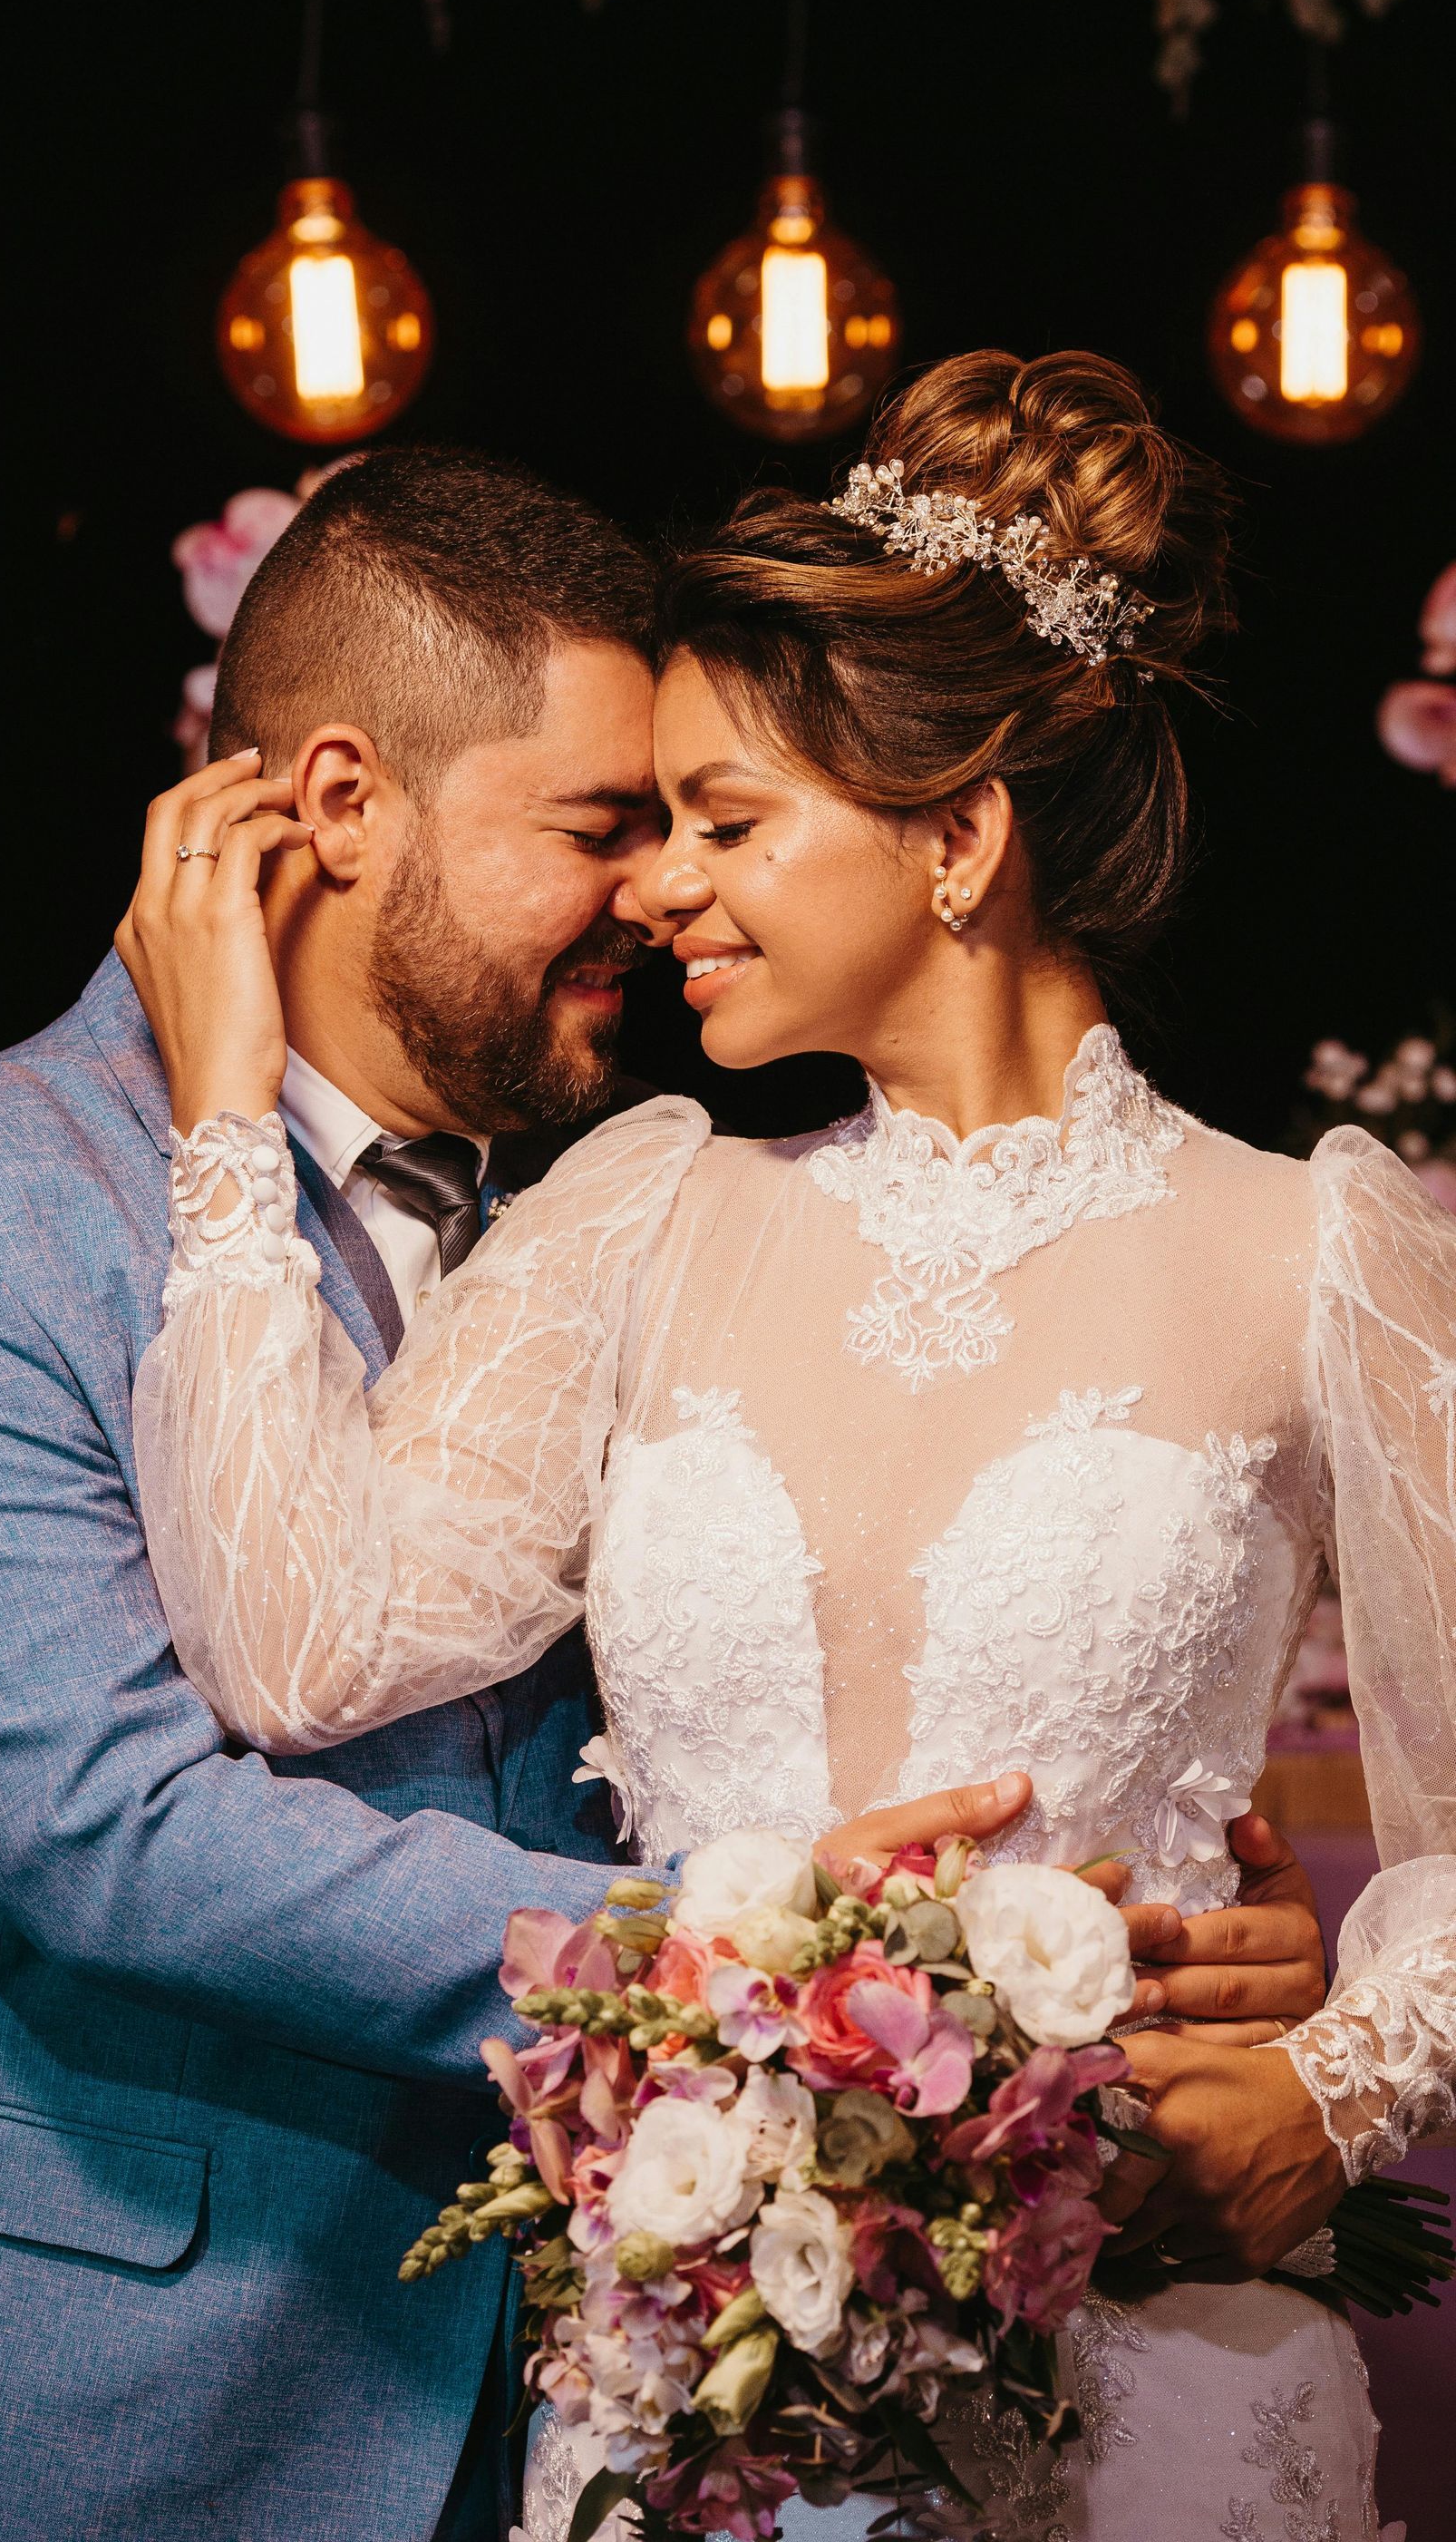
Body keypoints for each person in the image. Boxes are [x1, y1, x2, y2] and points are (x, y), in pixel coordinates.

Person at [0, 447, 1309, 2542]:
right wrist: (815, 1974)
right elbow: (120, 1835)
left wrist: (1148, 1927)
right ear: (345, 808)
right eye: (602, 824)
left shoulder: (629, 1211)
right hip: (86, 2408)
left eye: (698, 821)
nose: (656, 892)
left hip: (613, 2386)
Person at [120, 360, 1456, 2540]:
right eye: (651, 825)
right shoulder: (651, 1210)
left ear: (958, 838)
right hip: (691, 2395)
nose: (658, 888)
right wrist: (221, 1122)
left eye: (728, 822)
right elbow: (297, 1641)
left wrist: (1340, 2078)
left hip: (1165, 2383)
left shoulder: (1314, 1242)